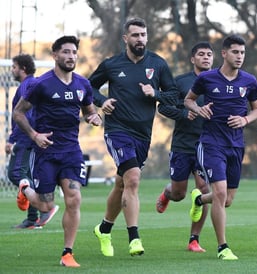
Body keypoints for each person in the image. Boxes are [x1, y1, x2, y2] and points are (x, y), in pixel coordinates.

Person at [89, 17, 177, 257]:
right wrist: (102, 101)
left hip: (143, 134)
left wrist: (155, 93)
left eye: (143, 34)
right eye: (135, 35)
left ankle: (104, 228)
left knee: (123, 184)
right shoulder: (111, 65)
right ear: (125, 38)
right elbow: (88, 88)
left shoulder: (158, 64)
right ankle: (134, 238)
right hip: (117, 131)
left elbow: (174, 96)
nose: (140, 39)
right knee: (133, 178)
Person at [13, 36, 102, 267]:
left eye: (74, 52)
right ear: (55, 55)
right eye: (65, 52)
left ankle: (67, 253)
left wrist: (94, 116)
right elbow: (18, 113)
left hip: (71, 151)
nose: (71, 56)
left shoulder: (83, 84)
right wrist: (34, 135)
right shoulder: (40, 84)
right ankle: (25, 189)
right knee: (45, 205)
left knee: (74, 199)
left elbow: (89, 110)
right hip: (46, 152)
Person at [184, 34, 257, 260]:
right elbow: (188, 100)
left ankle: (199, 199)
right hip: (211, 143)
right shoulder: (207, 78)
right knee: (219, 192)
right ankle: (223, 247)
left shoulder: (250, 81)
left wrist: (245, 120)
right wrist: (199, 109)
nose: (240, 56)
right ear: (225, 53)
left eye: (243, 52)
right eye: (236, 52)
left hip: (236, 145)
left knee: (226, 199)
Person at [156, 41, 214, 253]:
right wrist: (183, 113)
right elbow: (162, 106)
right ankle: (166, 193)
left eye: (209, 54)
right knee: (179, 193)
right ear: (193, 59)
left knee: (204, 189)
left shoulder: (218, 82)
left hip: (207, 145)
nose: (206, 57)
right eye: (201, 54)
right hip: (182, 144)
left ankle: (194, 240)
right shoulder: (180, 82)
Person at [7, 54, 59, 229]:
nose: (12, 70)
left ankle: (45, 208)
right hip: (31, 137)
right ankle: (32, 218)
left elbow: (24, 115)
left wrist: (11, 139)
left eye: (14, 67)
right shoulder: (30, 84)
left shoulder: (28, 85)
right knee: (27, 176)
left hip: (26, 138)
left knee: (15, 174)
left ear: (23, 68)